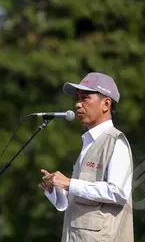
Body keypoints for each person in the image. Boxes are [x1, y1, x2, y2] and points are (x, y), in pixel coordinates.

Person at [39, 72, 134, 242]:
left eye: (85, 98)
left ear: (106, 104)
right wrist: (57, 190)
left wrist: (69, 183)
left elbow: (118, 192)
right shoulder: (89, 143)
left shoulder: (115, 142)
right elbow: (78, 199)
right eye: (77, 98)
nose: (77, 104)